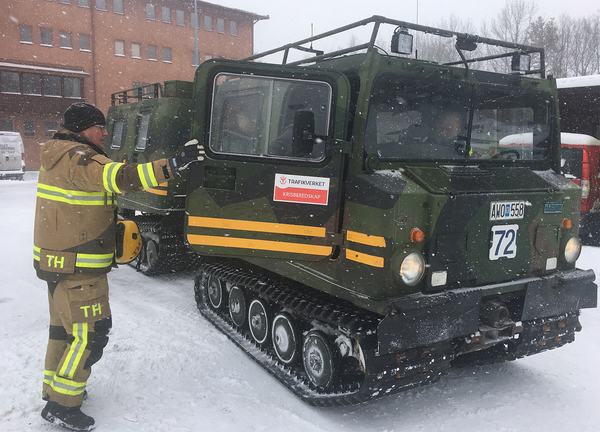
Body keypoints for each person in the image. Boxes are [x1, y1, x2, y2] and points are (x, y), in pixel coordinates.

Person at [34, 102, 203, 431]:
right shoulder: (81, 159)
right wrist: (176, 163)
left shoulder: (57, 155)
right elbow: (125, 177)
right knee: (90, 336)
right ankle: (62, 405)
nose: (106, 132)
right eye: (100, 127)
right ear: (84, 129)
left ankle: (52, 390)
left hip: (57, 263)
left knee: (63, 333)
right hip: (79, 268)